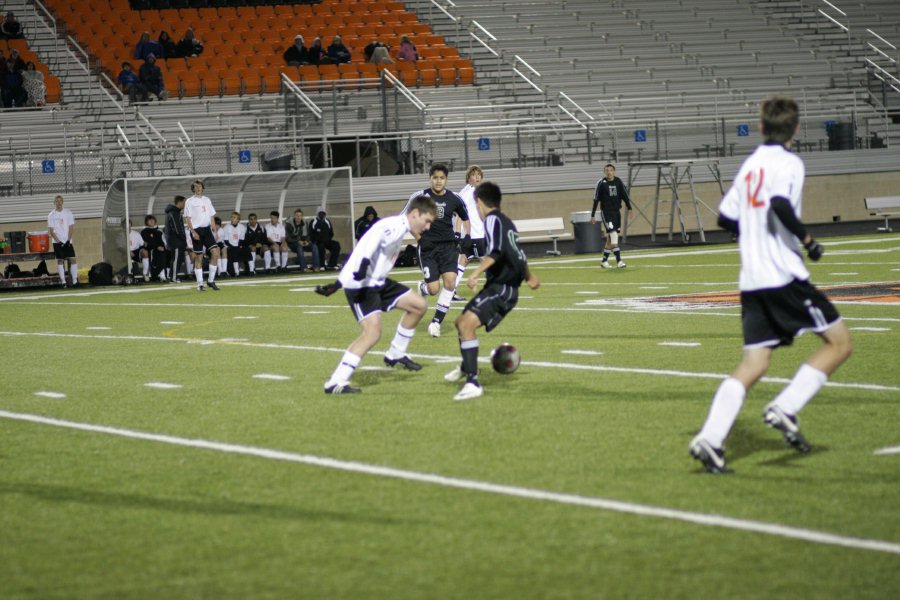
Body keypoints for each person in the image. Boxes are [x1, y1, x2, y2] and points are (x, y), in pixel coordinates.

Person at [688, 96, 853, 474]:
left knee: (755, 362)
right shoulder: (790, 162)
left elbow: (726, 218)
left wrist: (755, 236)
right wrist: (808, 242)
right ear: (796, 129)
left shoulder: (750, 166)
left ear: (761, 127)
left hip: (752, 280)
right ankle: (786, 406)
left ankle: (711, 439)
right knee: (840, 343)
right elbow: (779, 204)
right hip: (784, 275)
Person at [316, 195, 437, 394]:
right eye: (427, 221)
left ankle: (395, 353)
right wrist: (352, 275)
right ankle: (335, 382)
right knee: (372, 333)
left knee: (418, 305)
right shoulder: (394, 226)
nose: (428, 227)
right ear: (415, 214)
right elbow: (371, 243)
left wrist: (338, 282)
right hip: (362, 285)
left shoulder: (399, 227)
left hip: (377, 281)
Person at [445, 182, 540, 401]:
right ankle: (467, 367)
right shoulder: (507, 222)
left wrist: (475, 272)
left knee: (466, 324)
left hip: (502, 287)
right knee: (461, 322)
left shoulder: (492, 220)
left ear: (478, 202)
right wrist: (529, 276)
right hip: (500, 286)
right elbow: (517, 254)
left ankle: (473, 383)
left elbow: (497, 252)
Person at [405, 163, 470, 338]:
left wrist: (466, 237)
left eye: (442, 178)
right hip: (428, 249)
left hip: (448, 247)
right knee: (434, 289)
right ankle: (423, 288)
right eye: (435, 178)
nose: (438, 181)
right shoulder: (421, 197)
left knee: (450, 283)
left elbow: (465, 217)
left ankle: (436, 323)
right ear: (430, 179)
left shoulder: (455, 198)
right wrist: (420, 239)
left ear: (446, 179)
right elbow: (407, 221)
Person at [452, 166, 486, 301]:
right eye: (474, 175)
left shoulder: (475, 191)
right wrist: (459, 233)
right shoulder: (469, 192)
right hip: (474, 234)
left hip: (475, 233)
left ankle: (451, 291)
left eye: (479, 174)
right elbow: (460, 214)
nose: (477, 177)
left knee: (463, 261)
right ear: (468, 178)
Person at [590, 163, 634, 269]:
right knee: (613, 235)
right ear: (604, 172)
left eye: (611, 170)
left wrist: (629, 208)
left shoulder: (618, 181)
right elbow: (596, 199)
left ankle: (604, 261)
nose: (609, 172)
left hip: (616, 213)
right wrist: (593, 215)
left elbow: (625, 196)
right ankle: (619, 261)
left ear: (614, 171)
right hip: (606, 212)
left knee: (610, 238)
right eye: (607, 170)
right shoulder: (601, 183)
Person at [184, 180, 221, 291]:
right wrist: (193, 232)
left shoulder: (207, 200)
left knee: (215, 252)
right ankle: (200, 284)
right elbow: (188, 218)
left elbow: (211, 216)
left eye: (200, 186)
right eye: (196, 187)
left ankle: (210, 281)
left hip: (207, 230)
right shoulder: (189, 201)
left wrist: (215, 231)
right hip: (197, 230)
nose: (199, 188)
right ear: (193, 189)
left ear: (203, 188)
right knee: (198, 257)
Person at [47, 195, 78, 288]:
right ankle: (63, 282)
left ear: (62, 202)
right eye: (57, 201)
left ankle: (75, 281)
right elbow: (51, 231)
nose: (59, 203)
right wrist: (58, 241)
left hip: (67, 241)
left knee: (72, 259)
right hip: (57, 242)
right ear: (54, 203)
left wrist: (68, 240)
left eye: (60, 201)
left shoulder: (68, 213)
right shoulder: (51, 215)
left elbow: (71, 227)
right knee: (60, 261)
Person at [164, 195, 187, 283]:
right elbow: (177, 228)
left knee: (177, 259)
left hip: (177, 240)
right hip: (175, 241)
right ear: (180, 202)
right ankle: (172, 277)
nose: (185, 204)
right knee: (176, 259)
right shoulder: (173, 213)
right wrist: (183, 237)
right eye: (184, 202)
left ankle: (173, 276)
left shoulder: (175, 212)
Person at [141, 214, 167, 281]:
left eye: (153, 220)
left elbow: (163, 241)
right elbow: (147, 243)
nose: (151, 221)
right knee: (159, 253)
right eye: (149, 220)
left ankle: (163, 275)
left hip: (161, 249)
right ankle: (155, 274)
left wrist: (163, 247)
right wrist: (156, 247)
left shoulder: (159, 231)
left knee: (165, 252)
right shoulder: (144, 231)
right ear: (146, 222)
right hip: (151, 249)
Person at [222, 211, 246, 276]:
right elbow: (226, 241)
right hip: (229, 246)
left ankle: (251, 270)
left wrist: (238, 246)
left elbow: (241, 239)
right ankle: (235, 271)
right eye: (231, 217)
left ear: (238, 219)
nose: (232, 219)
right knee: (233, 252)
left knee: (247, 250)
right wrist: (233, 247)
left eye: (234, 217)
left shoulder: (242, 227)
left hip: (238, 246)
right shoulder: (226, 227)